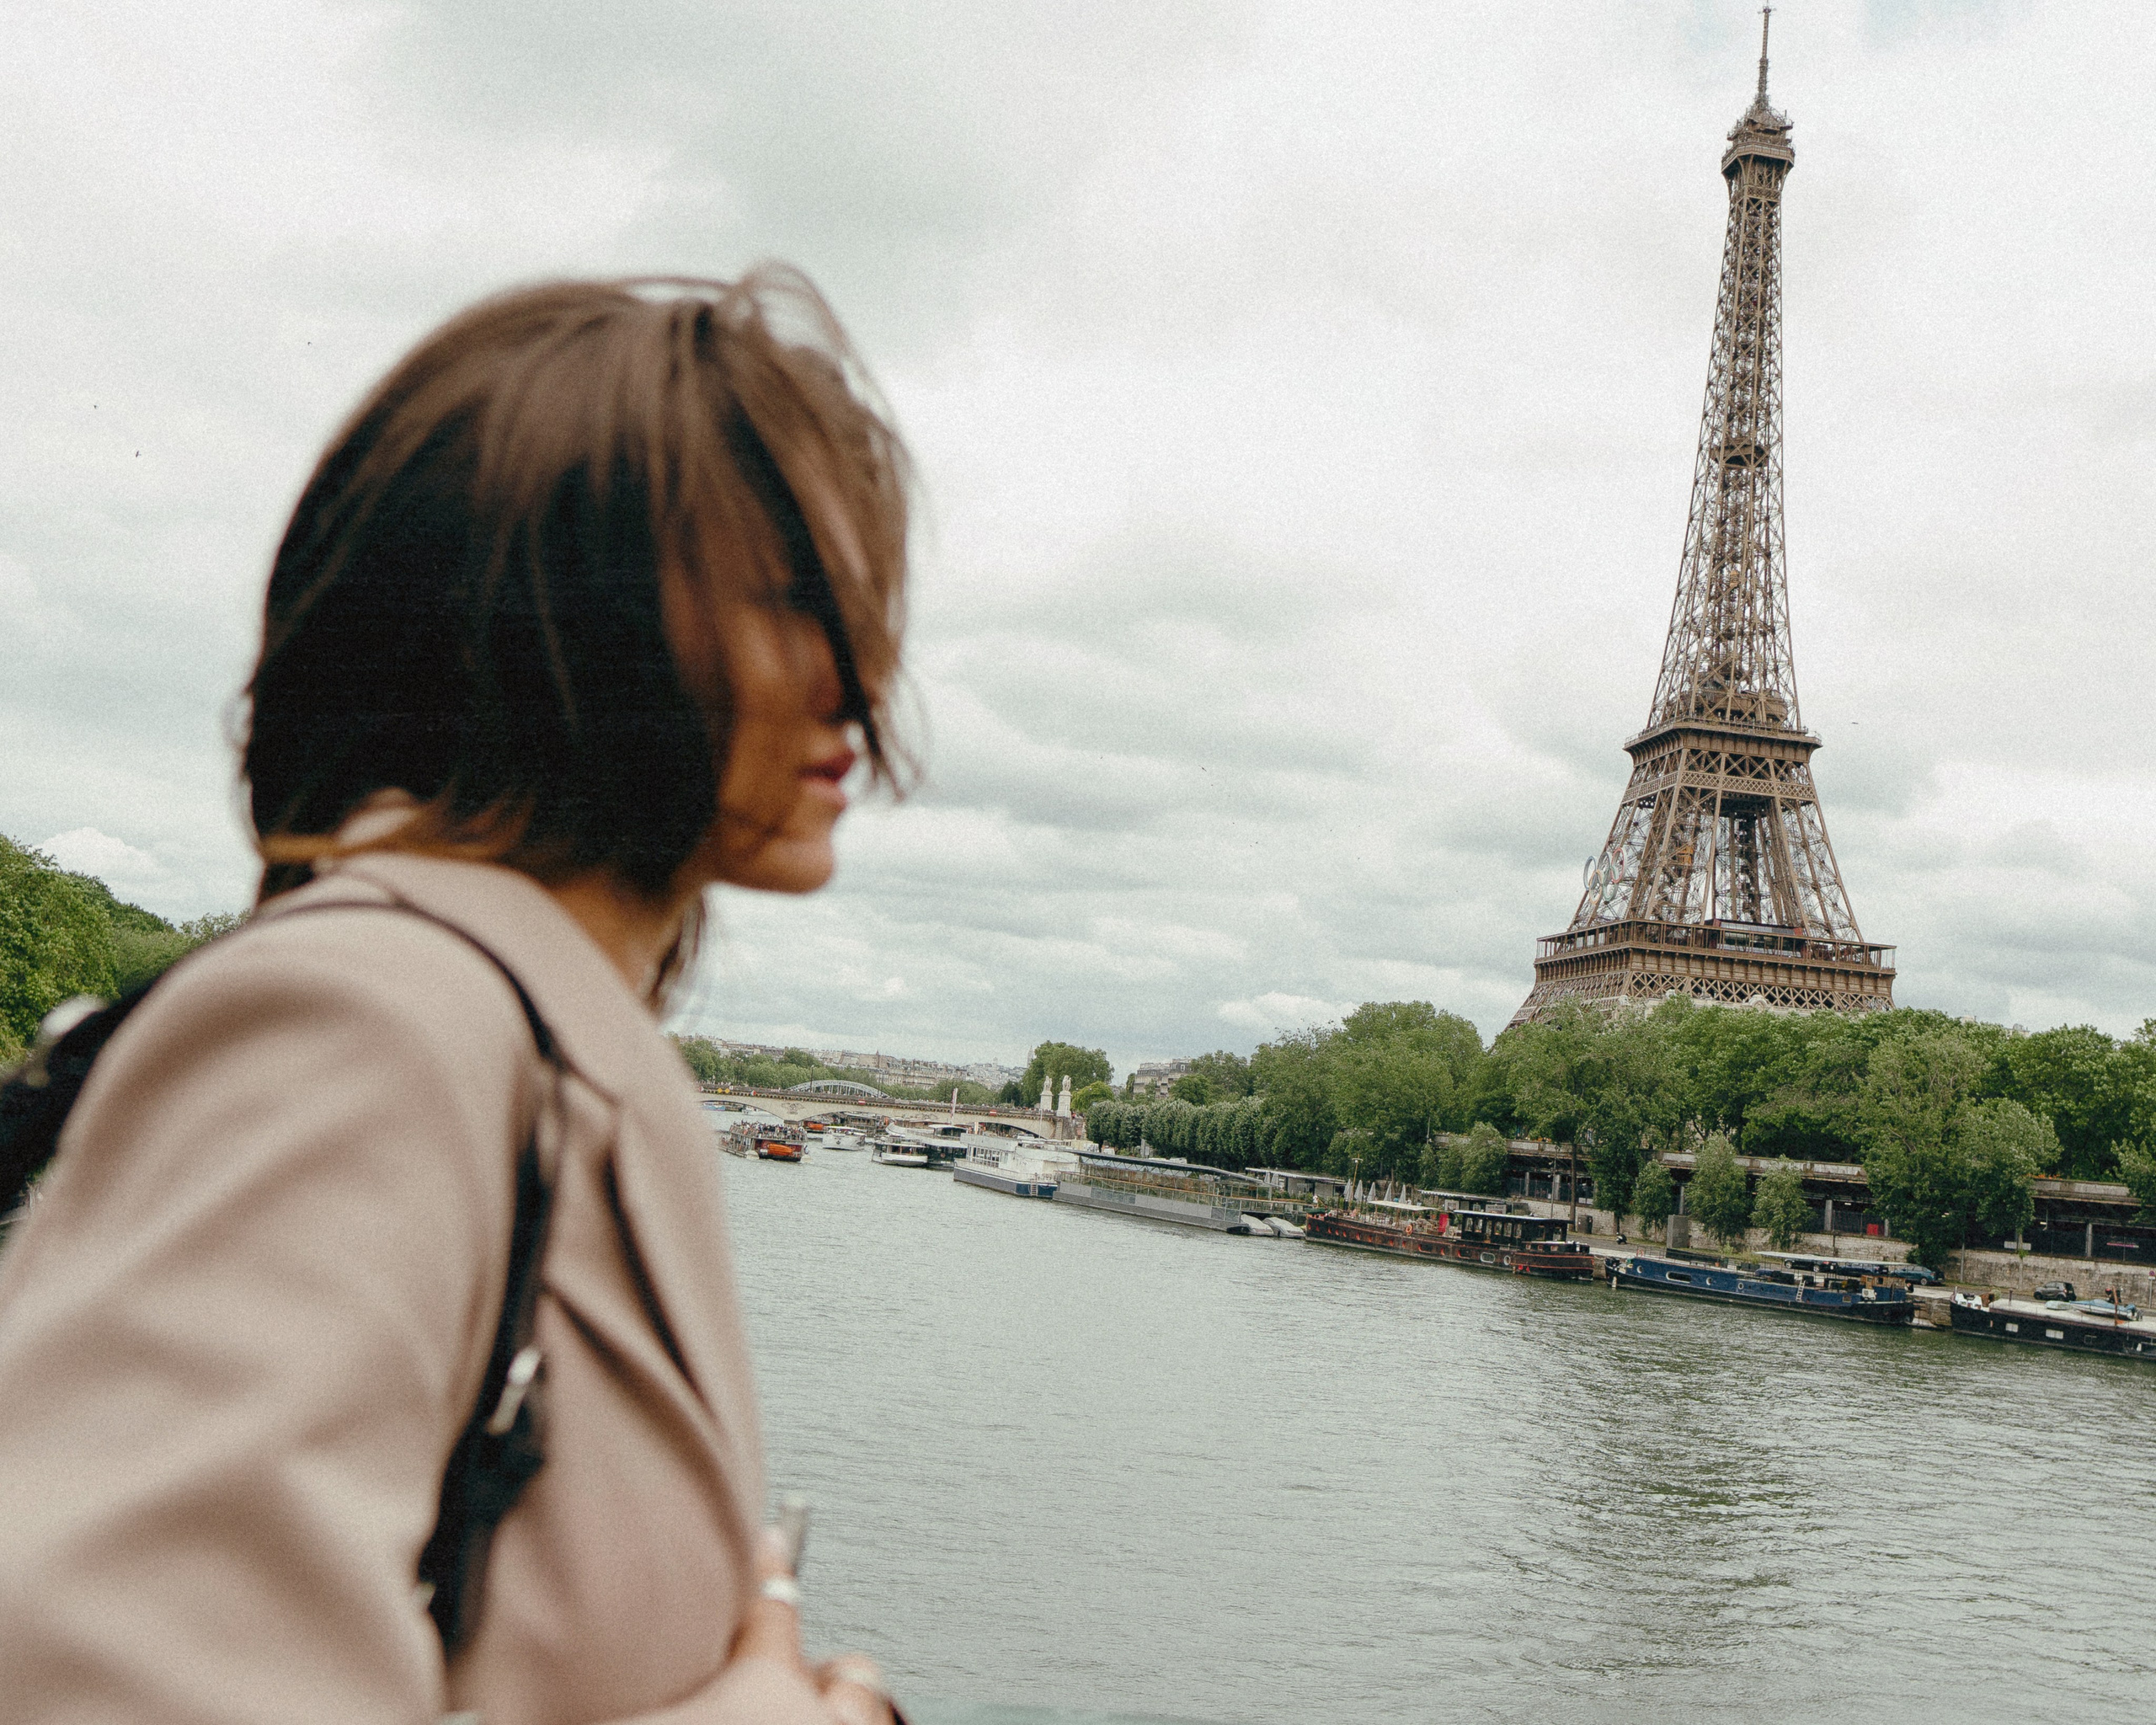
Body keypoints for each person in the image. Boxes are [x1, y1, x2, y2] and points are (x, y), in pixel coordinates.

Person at [0, 270, 908, 1723]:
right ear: (560, 624)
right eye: (799, 600)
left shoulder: (512, 1046)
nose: (867, 674)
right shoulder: (375, 1027)